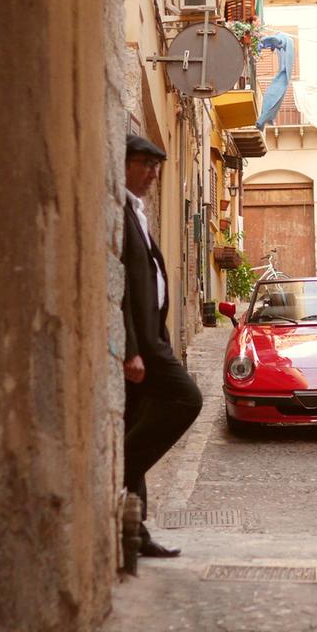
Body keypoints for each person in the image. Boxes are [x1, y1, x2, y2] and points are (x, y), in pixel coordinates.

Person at [121, 134, 202, 558]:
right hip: (144, 345)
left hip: (154, 337)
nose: (153, 173)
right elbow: (118, 288)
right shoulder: (118, 212)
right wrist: (132, 347)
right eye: (144, 164)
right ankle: (118, 468)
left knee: (134, 424)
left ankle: (133, 531)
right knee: (187, 400)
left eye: (156, 166)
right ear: (124, 165)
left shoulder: (136, 211)